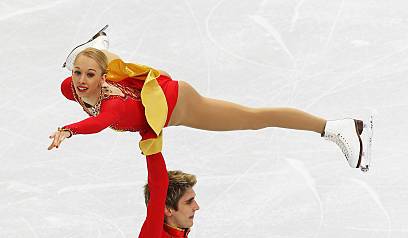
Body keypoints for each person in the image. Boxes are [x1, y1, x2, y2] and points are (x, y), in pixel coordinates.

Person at [49, 27, 373, 177]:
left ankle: (336, 128)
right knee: (104, 66)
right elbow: (96, 77)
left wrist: (69, 130)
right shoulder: (72, 87)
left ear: (102, 78)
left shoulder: (112, 106)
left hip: (180, 104)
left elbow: (100, 121)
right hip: (158, 95)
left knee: (253, 118)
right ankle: (97, 45)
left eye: (89, 74)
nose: (80, 81)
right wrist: (88, 65)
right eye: (78, 73)